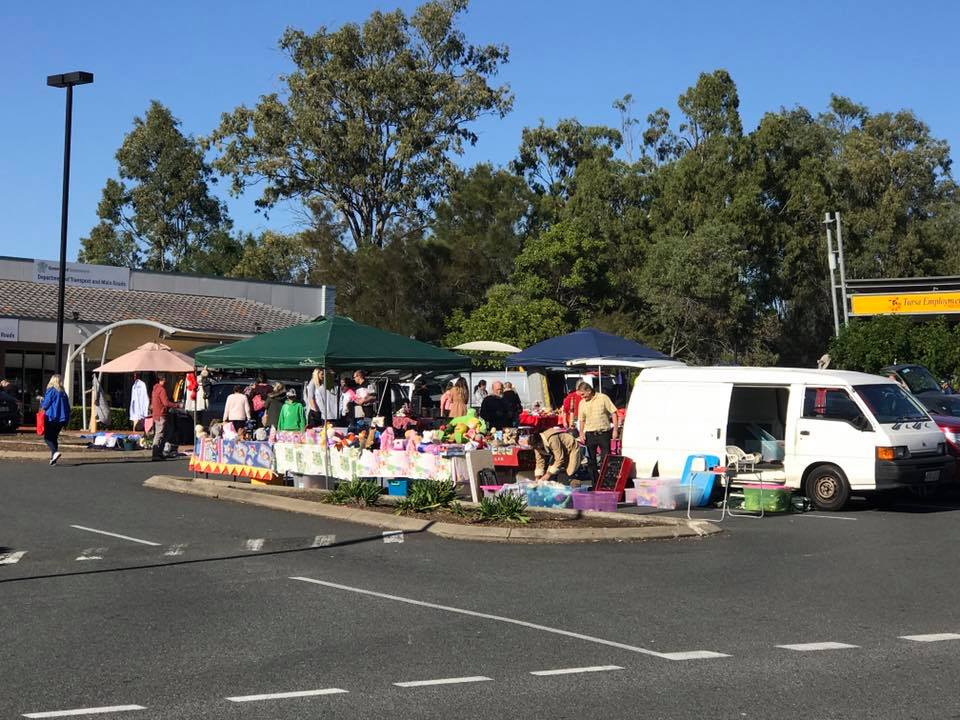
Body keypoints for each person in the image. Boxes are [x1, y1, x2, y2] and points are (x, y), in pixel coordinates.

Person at [576, 381, 620, 482]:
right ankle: (595, 482)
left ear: (589, 391)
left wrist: (615, 430)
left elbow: (613, 412)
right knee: (591, 461)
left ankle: (606, 482)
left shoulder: (603, 398)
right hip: (589, 434)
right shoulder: (582, 403)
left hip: (603, 433)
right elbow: (581, 419)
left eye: (583, 394)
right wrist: (581, 433)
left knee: (606, 459)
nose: (582, 397)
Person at [40, 374, 70, 466]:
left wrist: (41, 400)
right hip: (62, 419)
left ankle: (55, 452)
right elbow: (68, 407)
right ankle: (53, 459)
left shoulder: (51, 390)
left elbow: (45, 405)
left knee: (48, 438)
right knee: (54, 438)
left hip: (51, 418)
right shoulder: (63, 392)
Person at [150, 374, 179, 460]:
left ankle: (159, 453)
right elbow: (166, 403)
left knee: (164, 433)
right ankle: (155, 454)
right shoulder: (162, 390)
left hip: (156, 414)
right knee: (159, 434)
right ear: (163, 379)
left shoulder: (155, 389)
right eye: (166, 379)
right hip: (161, 414)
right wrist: (176, 405)